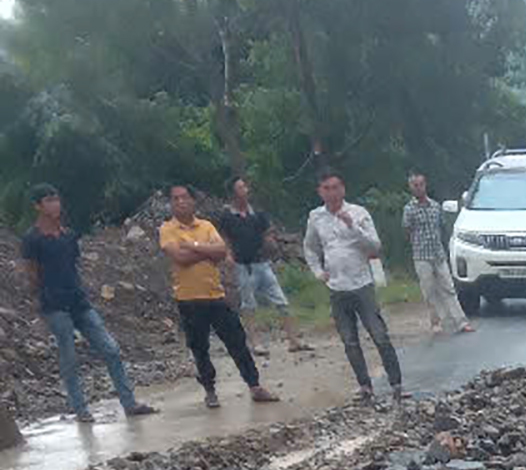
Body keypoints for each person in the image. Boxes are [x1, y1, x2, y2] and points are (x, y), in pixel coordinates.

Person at [18, 184, 158, 425]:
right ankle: (81, 409)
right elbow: (32, 274)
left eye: (56, 199)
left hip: (79, 301)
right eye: (49, 200)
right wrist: (41, 303)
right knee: (69, 358)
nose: (55, 205)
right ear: (38, 206)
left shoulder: (68, 235)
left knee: (111, 350)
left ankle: (129, 403)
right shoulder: (32, 239)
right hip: (54, 306)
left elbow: (74, 265)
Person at [159, 184, 281, 409]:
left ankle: (255, 386)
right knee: (200, 348)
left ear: (193, 201)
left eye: (184, 197)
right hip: (188, 299)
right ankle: (210, 390)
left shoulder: (206, 225)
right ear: (171, 203)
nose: (180, 202)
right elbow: (180, 258)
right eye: (175, 198)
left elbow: (221, 251)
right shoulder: (167, 229)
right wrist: (207, 251)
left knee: (237, 341)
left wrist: (193, 245)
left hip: (215, 295)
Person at [304, 170, 404, 404]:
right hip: (336, 286)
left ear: (343, 189)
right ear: (320, 192)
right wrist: (318, 271)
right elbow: (310, 247)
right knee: (349, 340)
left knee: (379, 335)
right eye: (327, 188)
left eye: (335, 187)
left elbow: (375, 246)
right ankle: (365, 386)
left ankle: (396, 383)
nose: (332, 193)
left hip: (361, 283)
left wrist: (353, 227)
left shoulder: (358, 213)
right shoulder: (316, 217)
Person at [218, 176, 309, 354]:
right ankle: (255, 343)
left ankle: (294, 340)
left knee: (281, 301)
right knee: (248, 305)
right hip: (243, 265)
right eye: (241, 187)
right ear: (233, 194)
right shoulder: (227, 217)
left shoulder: (257, 214)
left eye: (245, 187)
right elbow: (224, 238)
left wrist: (270, 241)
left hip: (262, 263)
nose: (246, 190)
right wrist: (227, 255)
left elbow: (267, 232)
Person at [401, 171, 475, 334]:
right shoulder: (409, 209)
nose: (418, 188)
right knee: (429, 291)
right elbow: (407, 230)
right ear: (411, 188)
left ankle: (461, 322)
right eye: (415, 185)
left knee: (449, 288)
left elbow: (442, 227)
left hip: (438, 254)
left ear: (425, 185)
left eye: (421, 184)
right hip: (421, 255)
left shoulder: (435, 206)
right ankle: (436, 322)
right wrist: (415, 244)